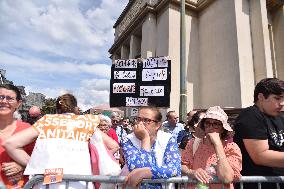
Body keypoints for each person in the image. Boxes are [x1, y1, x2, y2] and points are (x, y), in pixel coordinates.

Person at [3, 93, 119, 189]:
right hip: (81, 182)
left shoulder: (47, 121)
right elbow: (113, 145)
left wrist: (32, 164)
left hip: (47, 181)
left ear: (57, 109)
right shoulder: (87, 122)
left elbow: (10, 143)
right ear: (75, 108)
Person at [233, 78, 284, 189]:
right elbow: (260, 156)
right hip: (256, 185)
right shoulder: (250, 116)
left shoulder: (279, 119)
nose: (282, 103)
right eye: (277, 98)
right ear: (261, 97)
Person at [182, 106, 242, 189]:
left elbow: (227, 178)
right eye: (207, 123)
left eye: (216, 124)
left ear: (222, 128)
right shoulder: (193, 143)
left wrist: (217, 144)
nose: (211, 127)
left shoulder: (231, 147)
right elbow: (182, 166)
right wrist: (192, 172)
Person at [122, 106, 181, 189]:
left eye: (147, 120)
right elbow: (135, 167)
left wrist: (147, 172)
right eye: (139, 119)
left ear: (157, 125)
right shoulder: (128, 140)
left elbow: (174, 168)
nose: (141, 124)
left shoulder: (168, 139)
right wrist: (145, 139)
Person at [0, 84, 35, 189]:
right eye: (0, 97)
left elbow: (39, 162)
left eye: (9, 98)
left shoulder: (28, 130)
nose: (4, 101)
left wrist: (23, 165)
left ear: (18, 103)